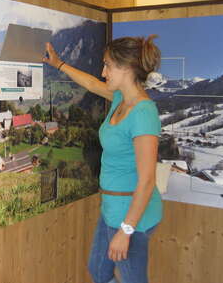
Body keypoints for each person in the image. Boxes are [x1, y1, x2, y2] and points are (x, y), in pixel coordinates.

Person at [43, 36, 162, 283]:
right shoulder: (121, 99)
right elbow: (91, 83)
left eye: (108, 65)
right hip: (112, 208)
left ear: (127, 67)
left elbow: (148, 180)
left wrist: (126, 230)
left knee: (132, 279)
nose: (103, 71)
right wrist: (59, 64)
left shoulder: (143, 113)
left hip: (131, 215)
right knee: (99, 271)